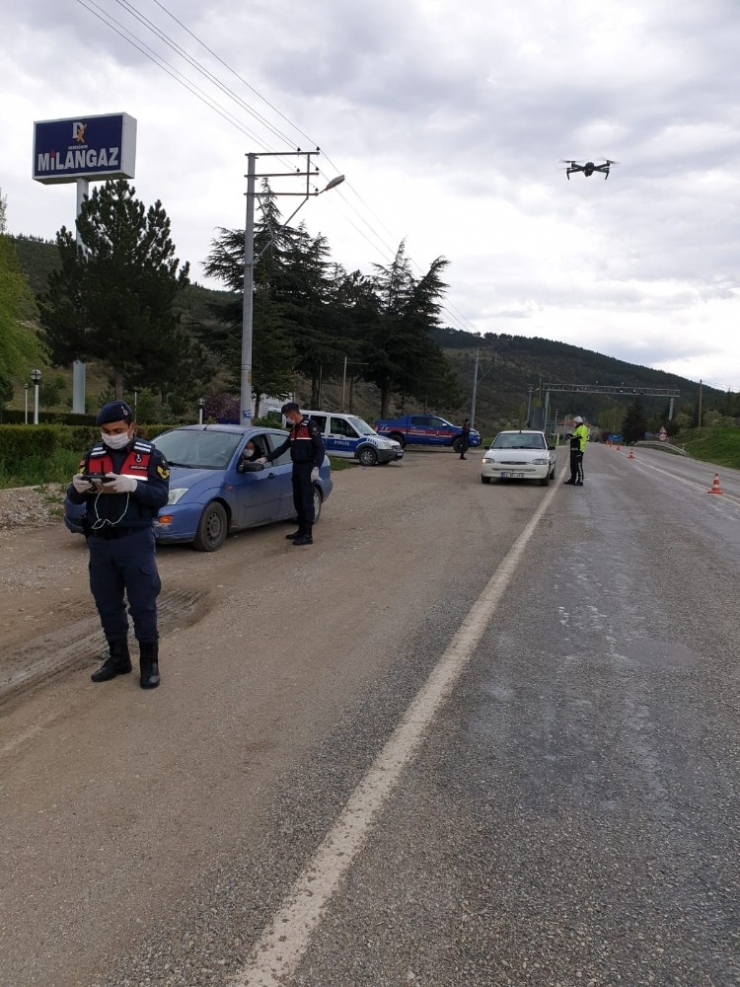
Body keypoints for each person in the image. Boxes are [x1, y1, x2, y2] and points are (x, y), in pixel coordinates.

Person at [67, 401, 170, 688]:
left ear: (131, 428)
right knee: (107, 604)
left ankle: (149, 663)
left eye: (118, 430)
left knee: (142, 604)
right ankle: (118, 658)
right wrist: (74, 488)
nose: (111, 435)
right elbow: (75, 499)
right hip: (100, 542)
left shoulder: (150, 456)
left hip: (134, 540)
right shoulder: (93, 456)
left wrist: (134, 486)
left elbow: (161, 496)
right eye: (106, 430)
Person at [258, 401, 324, 546]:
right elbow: (283, 448)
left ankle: (308, 534)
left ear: (293, 413)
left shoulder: (310, 426)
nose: (287, 418)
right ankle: (300, 530)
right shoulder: (294, 430)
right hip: (297, 468)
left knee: (307, 502)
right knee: (298, 501)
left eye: (287, 415)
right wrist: (266, 458)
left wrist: (316, 467)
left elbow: (320, 449)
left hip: (308, 468)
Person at [564, 415, 588, 485]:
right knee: (573, 465)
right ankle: (573, 479)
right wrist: (570, 435)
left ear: (577, 422)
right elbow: (575, 436)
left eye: (574, 422)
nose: (573, 424)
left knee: (578, 465)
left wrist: (571, 438)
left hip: (579, 450)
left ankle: (580, 480)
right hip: (573, 450)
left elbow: (580, 436)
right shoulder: (577, 429)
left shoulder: (583, 428)